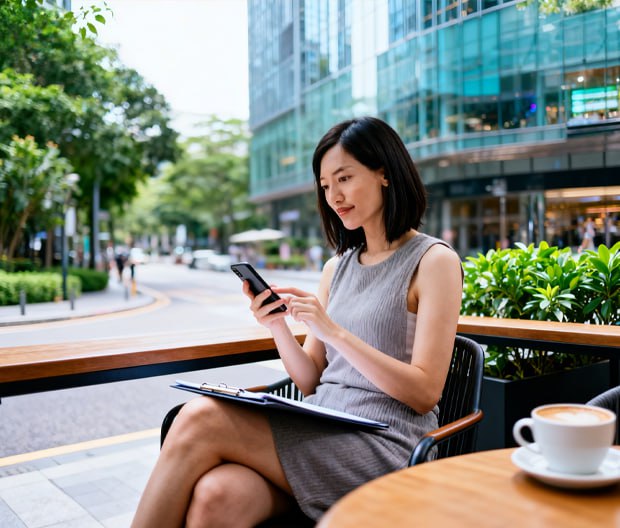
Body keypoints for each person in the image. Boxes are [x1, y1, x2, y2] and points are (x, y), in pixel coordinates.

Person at [131, 117, 463, 527]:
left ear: (385, 174)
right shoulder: (336, 268)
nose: (334, 196)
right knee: (217, 495)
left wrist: (334, 331)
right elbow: (310, 380)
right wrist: (277, 326)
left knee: (199, 417)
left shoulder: (434, 262)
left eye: (344, 178)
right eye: (325, 186)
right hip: (323, 429)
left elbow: (425, 392)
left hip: (386, 445)